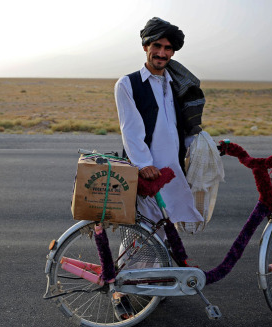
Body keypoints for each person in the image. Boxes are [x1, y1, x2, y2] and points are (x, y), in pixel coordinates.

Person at [112, 17, 205, 320]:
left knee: (162, 230)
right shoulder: (128, 84)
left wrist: (202, 147)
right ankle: (120, 289)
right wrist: (144, 164)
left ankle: (150, 283)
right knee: (137, 231)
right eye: (157, 46)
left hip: (172, 170)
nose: (162, 53)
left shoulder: (174, 84)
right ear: (145, 47)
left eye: (168, 48)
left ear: (173, 52)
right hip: (145, 171)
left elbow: (181, 126)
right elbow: (131, 129)